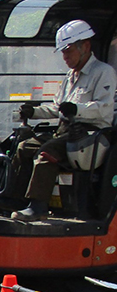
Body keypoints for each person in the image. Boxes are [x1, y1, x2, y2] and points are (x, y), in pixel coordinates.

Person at [11, 19, 117, 222]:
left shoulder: (103, 73)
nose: (65, 57)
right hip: (66, 133)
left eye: (68, 51)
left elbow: (104, 108)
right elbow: (57, 108)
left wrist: (77, 109)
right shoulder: (70, 76)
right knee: (25, 147)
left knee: (48, 151)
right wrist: (32, 112)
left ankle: (38, 207)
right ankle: (13, 200)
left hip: (91, 135)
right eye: (63, 52)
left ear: (85, 46)